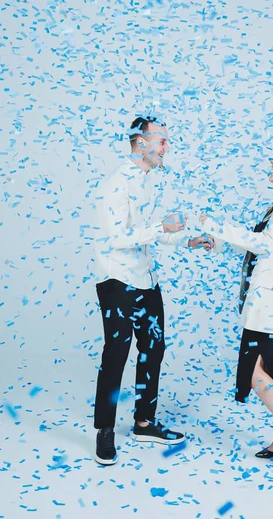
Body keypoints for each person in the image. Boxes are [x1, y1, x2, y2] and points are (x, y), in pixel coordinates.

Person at [92, 115, 211, 465]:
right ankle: (105, 431)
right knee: (117, 351)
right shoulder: (116, 182)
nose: (166, 148)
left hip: (145, 278)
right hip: (116, 278)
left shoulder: (147, 181)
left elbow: (151, 232)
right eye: (162, 141)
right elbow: (115, 238)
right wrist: (160, 225)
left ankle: (143, 422)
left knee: (153, 347)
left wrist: (186, 239)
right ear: (141, 142)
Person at [200, 144, 273, 473]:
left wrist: (214, 225)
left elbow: (265, 245)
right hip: (262, 302)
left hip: (271, 303)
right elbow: (257, 244)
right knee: (269, 371)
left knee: (254, 375)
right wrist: (217, 241)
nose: (271, 161)